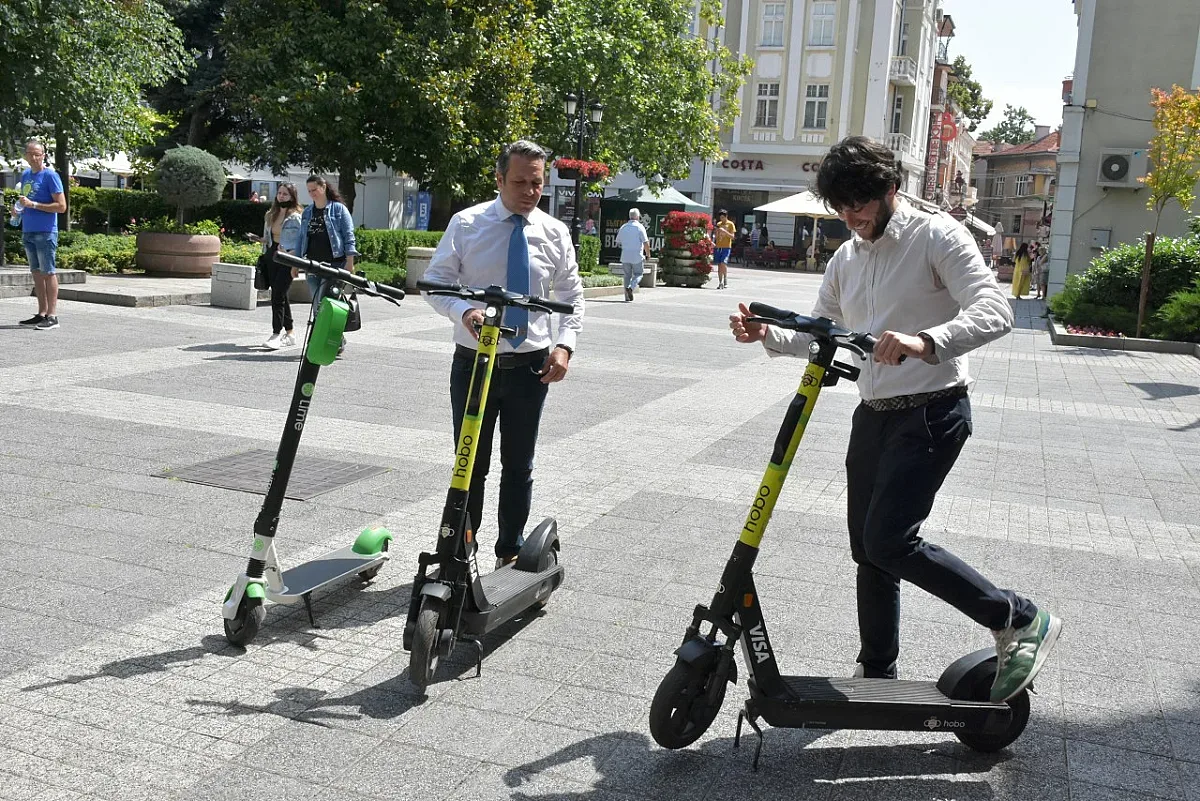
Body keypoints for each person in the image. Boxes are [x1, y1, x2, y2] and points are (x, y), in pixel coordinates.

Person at [728, 136, 1060, 703]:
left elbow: (996, 308)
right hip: (874, 415)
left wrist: (927, 340)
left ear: (889, 189)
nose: (852, 218)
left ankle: (1018, 616)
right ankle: (877, 668)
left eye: (860, 205)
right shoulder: (846, 258)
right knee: (867, 547)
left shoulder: (937, 236)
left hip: (933, 411)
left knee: (889, 540)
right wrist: (768, 334)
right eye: (841, 208)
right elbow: (823, 332)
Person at [423, 140, 584, 569]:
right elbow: (436, 284)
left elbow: (571, 295)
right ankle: (461, 548)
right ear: (498, 180)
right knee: (469, 464)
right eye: (520, 182)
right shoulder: (467, 223)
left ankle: (509, 552)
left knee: (519, 466)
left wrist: (565, 346)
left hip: (531, 366)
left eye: (537, 182)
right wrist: (464, 311)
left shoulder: (555, 232)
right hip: (475, 363)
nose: (530, 191)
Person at [298, 175, 357, 353]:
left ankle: (333, 339)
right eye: (309, 191)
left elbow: (349, 236)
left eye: (314, 190)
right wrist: (296, 264)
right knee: (318, 306)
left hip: (334, 265)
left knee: (330, 304)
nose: (312, 194)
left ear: (323, 187)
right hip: (312, 264)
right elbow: (301, 238)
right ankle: (330, 339)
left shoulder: (338, 210)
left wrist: (350, 262)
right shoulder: (308, 212)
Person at [14, 140, 66, 330]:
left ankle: (53, 316)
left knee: (48, 272)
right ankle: (41, 313)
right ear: (26, 155)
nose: (34, 158)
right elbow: (25, 201)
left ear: (44, 155)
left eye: (38, 154)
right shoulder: (26, 175)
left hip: (45, 231)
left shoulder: (50, 176)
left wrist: (34, 205)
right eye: (30, 154)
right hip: (28, 230)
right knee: (36, 272)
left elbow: (61, 206)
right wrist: (17, 209)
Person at [258, 183, 304, 349]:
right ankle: (290, 333)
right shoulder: (271, 214)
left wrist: (295, 259)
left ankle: (276, 333)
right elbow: (268, 237)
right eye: (279, 193)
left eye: (285, 194)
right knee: (281, 294)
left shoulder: (297, 216)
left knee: (277, 295)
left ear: (292, 196)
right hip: (272, 256)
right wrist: (259, 240)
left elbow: (303, 241)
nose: (281, 196)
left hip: (288, 258)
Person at [616, 207, 650, 302]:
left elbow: (618, 241)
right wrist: (648, 254)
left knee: (627, 275)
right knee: (639, 274)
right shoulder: (640, 227)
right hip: (637, 256)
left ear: (629, 216)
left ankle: (626, 296)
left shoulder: (623, 227)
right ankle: (631, 287)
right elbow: (646, 242)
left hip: (625, 255)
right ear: (638, 217)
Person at [712, 209, 736, 290]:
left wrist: (725, 231)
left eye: (723, 217)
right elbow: (716, 236)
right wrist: (717, 233)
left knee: (723, 262)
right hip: (719, 246)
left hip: (726, 247)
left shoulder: (730, 224)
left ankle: (725, 279)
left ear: (726, 217)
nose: (721, 219)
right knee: (719, 264)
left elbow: (732, 237)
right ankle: (720, 282)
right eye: (720, 217)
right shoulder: (719, 224)